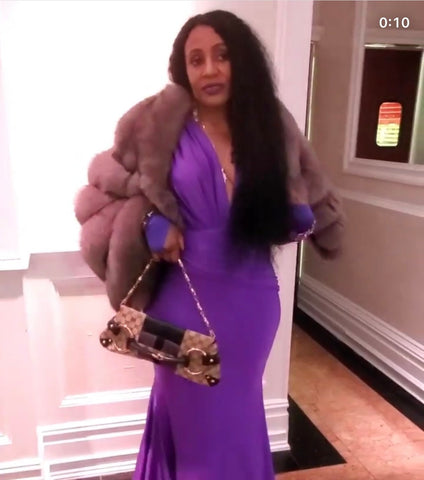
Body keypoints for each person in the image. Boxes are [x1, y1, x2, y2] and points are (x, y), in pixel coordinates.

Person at [74, 10, 345, 480]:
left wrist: (296, 217)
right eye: (196, 60)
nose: (210, 70)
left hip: (254, 303)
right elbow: (101, 188)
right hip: (181, 303)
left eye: (222, 55)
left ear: (243, 60)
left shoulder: (270, 125)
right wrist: (151, 223)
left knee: (237, 418)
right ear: (183, 69)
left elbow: (303, 199)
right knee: (191, 426)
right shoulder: (159, 121)